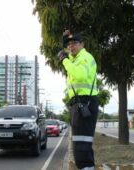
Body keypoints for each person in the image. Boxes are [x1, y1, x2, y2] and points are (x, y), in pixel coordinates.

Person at [58, 30, 99, 170]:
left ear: (82, 44)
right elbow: (65, 52)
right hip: (78, 103)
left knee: (83, 143)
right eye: (69, 44)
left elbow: (80, 75)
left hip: (86, 102)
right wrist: (65, 39)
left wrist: (64, 60)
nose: (71, 46)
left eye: (74, 43)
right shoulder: (74, 59)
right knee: (79, 144)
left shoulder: (85, 57)